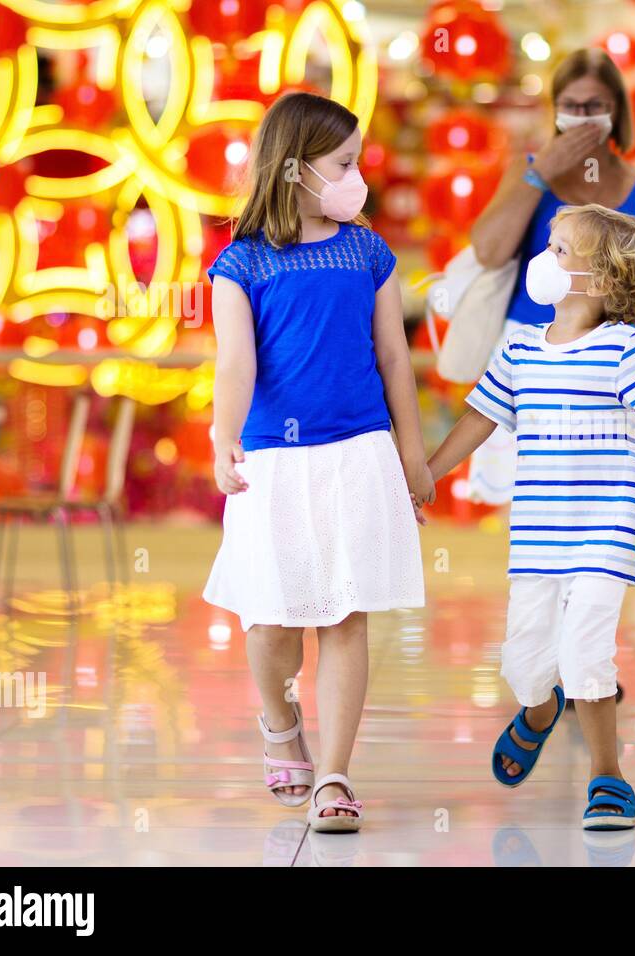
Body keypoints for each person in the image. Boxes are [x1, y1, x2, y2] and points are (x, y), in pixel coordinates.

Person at [203, 92, 434, 832]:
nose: (356, 175)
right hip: (273, 462)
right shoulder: (240, 263)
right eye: (344, 163)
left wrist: (412, 452)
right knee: (270, 624)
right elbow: (235, 364)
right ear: (298, 170)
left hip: (359, 454)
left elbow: (394, 357)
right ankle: (279, 718)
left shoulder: (366, 250)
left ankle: (333, 774)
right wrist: (221, 434)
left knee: (344, 615)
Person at [427, 204, 635, 829]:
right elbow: (479, 418)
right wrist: (428, 473)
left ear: (601, 281)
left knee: (585, 654)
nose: (542, 262)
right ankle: (539, 711)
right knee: (524, 661)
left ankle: (608, 773)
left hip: (604, 536)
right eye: (546, 247)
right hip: (536, 543)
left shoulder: (621, 349)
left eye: (559, 252)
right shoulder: (521, 349)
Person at [467, 47, 635, 505]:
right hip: (530, 354)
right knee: (527, 496)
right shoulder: (526, 172)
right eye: (571, 105)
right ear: (555, 109)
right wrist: (539, 174)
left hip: (613, 364)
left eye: (595, 106)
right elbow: (488, 251)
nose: (583, 117)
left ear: (617, 110)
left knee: (603, 497)